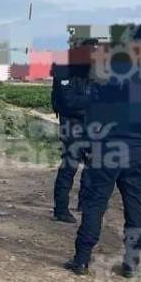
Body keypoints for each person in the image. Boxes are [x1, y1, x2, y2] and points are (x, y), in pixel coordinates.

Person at [65, 47, 141, 277]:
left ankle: (82, 260)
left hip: (107, 152)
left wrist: (89, 148)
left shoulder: (103, 87)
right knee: (135, 206)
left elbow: (91, 122)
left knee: (95, 204)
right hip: (138, 153)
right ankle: (131, 262)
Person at [50, 52, 94, 223]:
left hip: (91, 122)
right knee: (70, 165)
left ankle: (85, 202)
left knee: (93, 163)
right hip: (71, 124)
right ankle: (61, 209)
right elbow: (68, 102)